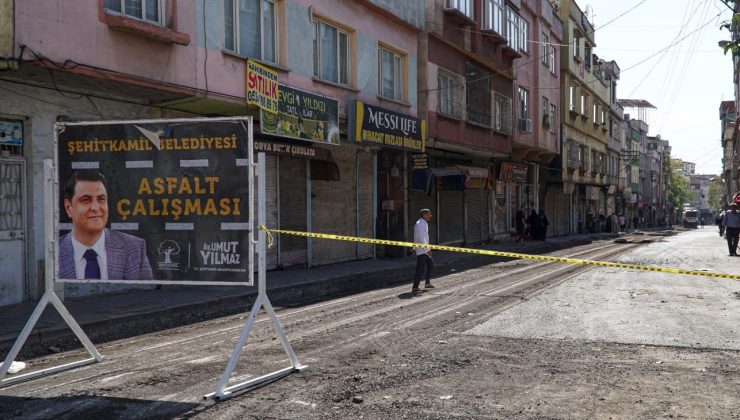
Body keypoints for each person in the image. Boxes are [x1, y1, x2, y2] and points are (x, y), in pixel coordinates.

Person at [58, 171, 153, 280]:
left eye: (101, 199)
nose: (95, 207)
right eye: (85, 200)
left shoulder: (135, 249)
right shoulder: (53, 254)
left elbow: (148, 295)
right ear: (68, 207)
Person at [412, 208, 434, 295]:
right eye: (429, 214)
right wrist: (427, 250)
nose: (430, 216)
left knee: (430, 264)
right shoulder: (420, 224)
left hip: (422, 249)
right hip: (422, 250)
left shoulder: (422, 223)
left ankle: (427, 283)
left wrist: (414, 248)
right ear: (424, 215)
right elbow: (421, 238)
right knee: (420, 268)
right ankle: (415, 287)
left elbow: (416, 237)